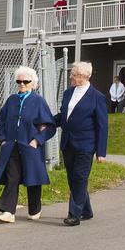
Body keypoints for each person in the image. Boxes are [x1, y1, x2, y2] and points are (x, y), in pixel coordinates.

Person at [51, 62, 109, 226]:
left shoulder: (97, 97)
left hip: (86, 144)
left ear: (84, 77)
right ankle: (86, 210)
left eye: (74, 74)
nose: (71, 76)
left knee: (80, 177)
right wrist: (47, 123)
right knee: (72, 178)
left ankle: (74, 214)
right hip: (68, 143)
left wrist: (101, 152)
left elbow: (102, 126)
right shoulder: (69, 93)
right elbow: (63, 116)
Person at [0, 65, 53, 223]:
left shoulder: (38, 101)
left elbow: (50, 126)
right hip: (12, 146)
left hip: (30, 147)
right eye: (19, 81)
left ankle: (35, 208)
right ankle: (8, 211)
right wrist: (3, 139)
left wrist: (37, 141)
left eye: (25, 81)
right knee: (12, 177)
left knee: (32, 178)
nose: (21, 84)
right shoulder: (11, 100)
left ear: (33, 83)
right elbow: (1, 120)